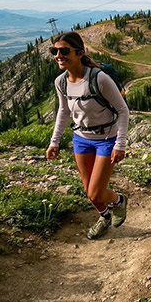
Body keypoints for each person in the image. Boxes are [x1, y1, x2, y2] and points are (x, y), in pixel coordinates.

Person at [46, 32, 129, 240]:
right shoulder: (61, 82)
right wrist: (54, 141)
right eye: (54, 51)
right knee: (88, 190)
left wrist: (120, 144)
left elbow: (123, 109)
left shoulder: (99, 78)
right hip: (81, 139)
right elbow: (64, 111)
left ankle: (119, 201)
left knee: (95, 193)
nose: (58, 55)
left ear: (79, 53)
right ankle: (105, 216)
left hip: (107, 139)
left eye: (64, 51)